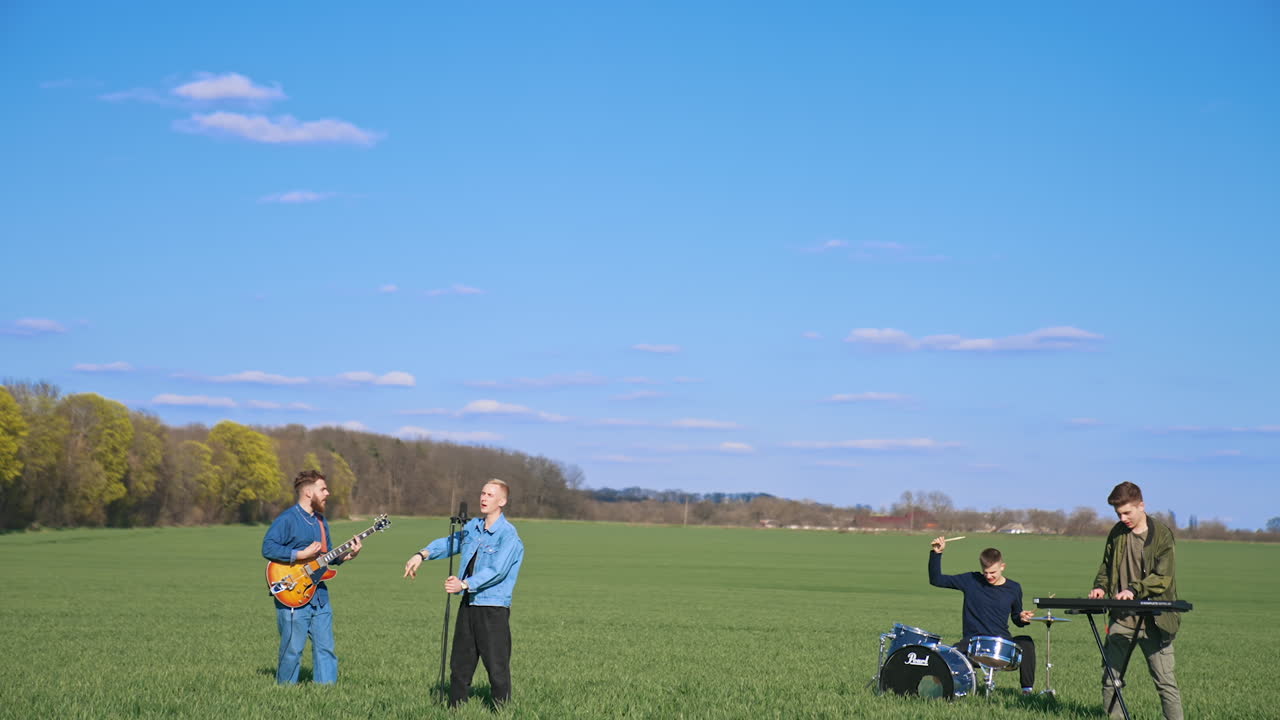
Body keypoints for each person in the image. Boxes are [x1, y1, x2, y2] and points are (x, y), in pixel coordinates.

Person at [405, 479, 525, 708]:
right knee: (460, 662)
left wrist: (464, 584)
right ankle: (454, 708)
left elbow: (497, 571)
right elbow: (450, 543)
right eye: (482, 493)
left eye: (490, 495)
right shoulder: (473, 528)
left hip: (493, 608)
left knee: (496, 666)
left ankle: (501, 711)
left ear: (502, 501)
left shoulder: (508, 536)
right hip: (469, 604)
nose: (483, 498)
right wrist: (421, 554)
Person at [1089, 482, 1182, 720]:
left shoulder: (1161, 535)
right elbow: (1106, 566)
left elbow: (1163, 578)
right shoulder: (1117, 532)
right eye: (1118, 513)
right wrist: (1100, 587)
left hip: (1155, 621)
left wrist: (1133, 589)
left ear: (1142, 505)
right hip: (1122, 619)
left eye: (1127, 512)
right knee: (1111, 680)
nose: (1122, 518)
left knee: (1165, 683)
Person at [261, 469, 361, 684]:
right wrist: (300, 554)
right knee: (292, 650)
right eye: (323, 489)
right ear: (308, 492)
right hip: (292, 592)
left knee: (326, 648)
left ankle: (325, 696)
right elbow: (268, 547)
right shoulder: (287, 519)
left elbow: (328, 555)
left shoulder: (321, 522)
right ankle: (284, 694)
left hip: (319, 596)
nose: (328, 493)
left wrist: (348, 555)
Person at [929, 537, 1037, 693]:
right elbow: (936, 580)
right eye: (985, 572)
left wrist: (1022, 617)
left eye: (993, 572)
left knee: (1026, 642)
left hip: (1001, 642)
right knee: (945, 659)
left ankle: (1027, 691)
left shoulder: (1014, 588)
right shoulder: (971, 580)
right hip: (972, 642)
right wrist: (936, 553)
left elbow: (1016, 618)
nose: (989, 576)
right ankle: (949, 693)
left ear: (1002, 567)